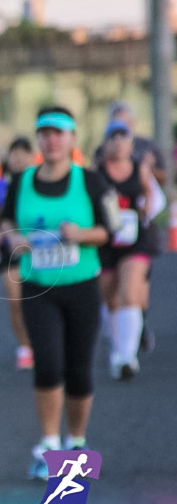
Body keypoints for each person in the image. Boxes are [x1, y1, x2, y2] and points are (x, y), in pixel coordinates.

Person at [0, 105, 119, 480]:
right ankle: (49, 444)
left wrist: (80, 235)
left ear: (72, 138)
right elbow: (3, 221)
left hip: (81, 286)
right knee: (48, 363)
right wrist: (13, 238)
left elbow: (110, 230)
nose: (50, 140)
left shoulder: (92, 181)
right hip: (39, 288)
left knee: (79, 371)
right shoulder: (22, 182)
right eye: (44, 133)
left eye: (58, 133)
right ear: (38, 138)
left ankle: (77, 441)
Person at [93, 100, 166, 353]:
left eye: (123, 136)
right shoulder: (96, 170)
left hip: (136, 236)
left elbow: (155, 192)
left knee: (132, 289)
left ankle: (126, 356)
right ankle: (119, 341)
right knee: (109, 295)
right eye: (113, 136)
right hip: (106, 239)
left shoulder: (142, 164)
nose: (118, 141)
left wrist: (146, 209)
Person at [0, 137, 36, 370]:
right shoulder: (4, 185)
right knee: (15, 298)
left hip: (40, 247)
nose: (18, 157)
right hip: (12, 248)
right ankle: (25, 345)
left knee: (39, 297)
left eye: (23, 153)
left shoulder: (41, 181)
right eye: (13, 152)